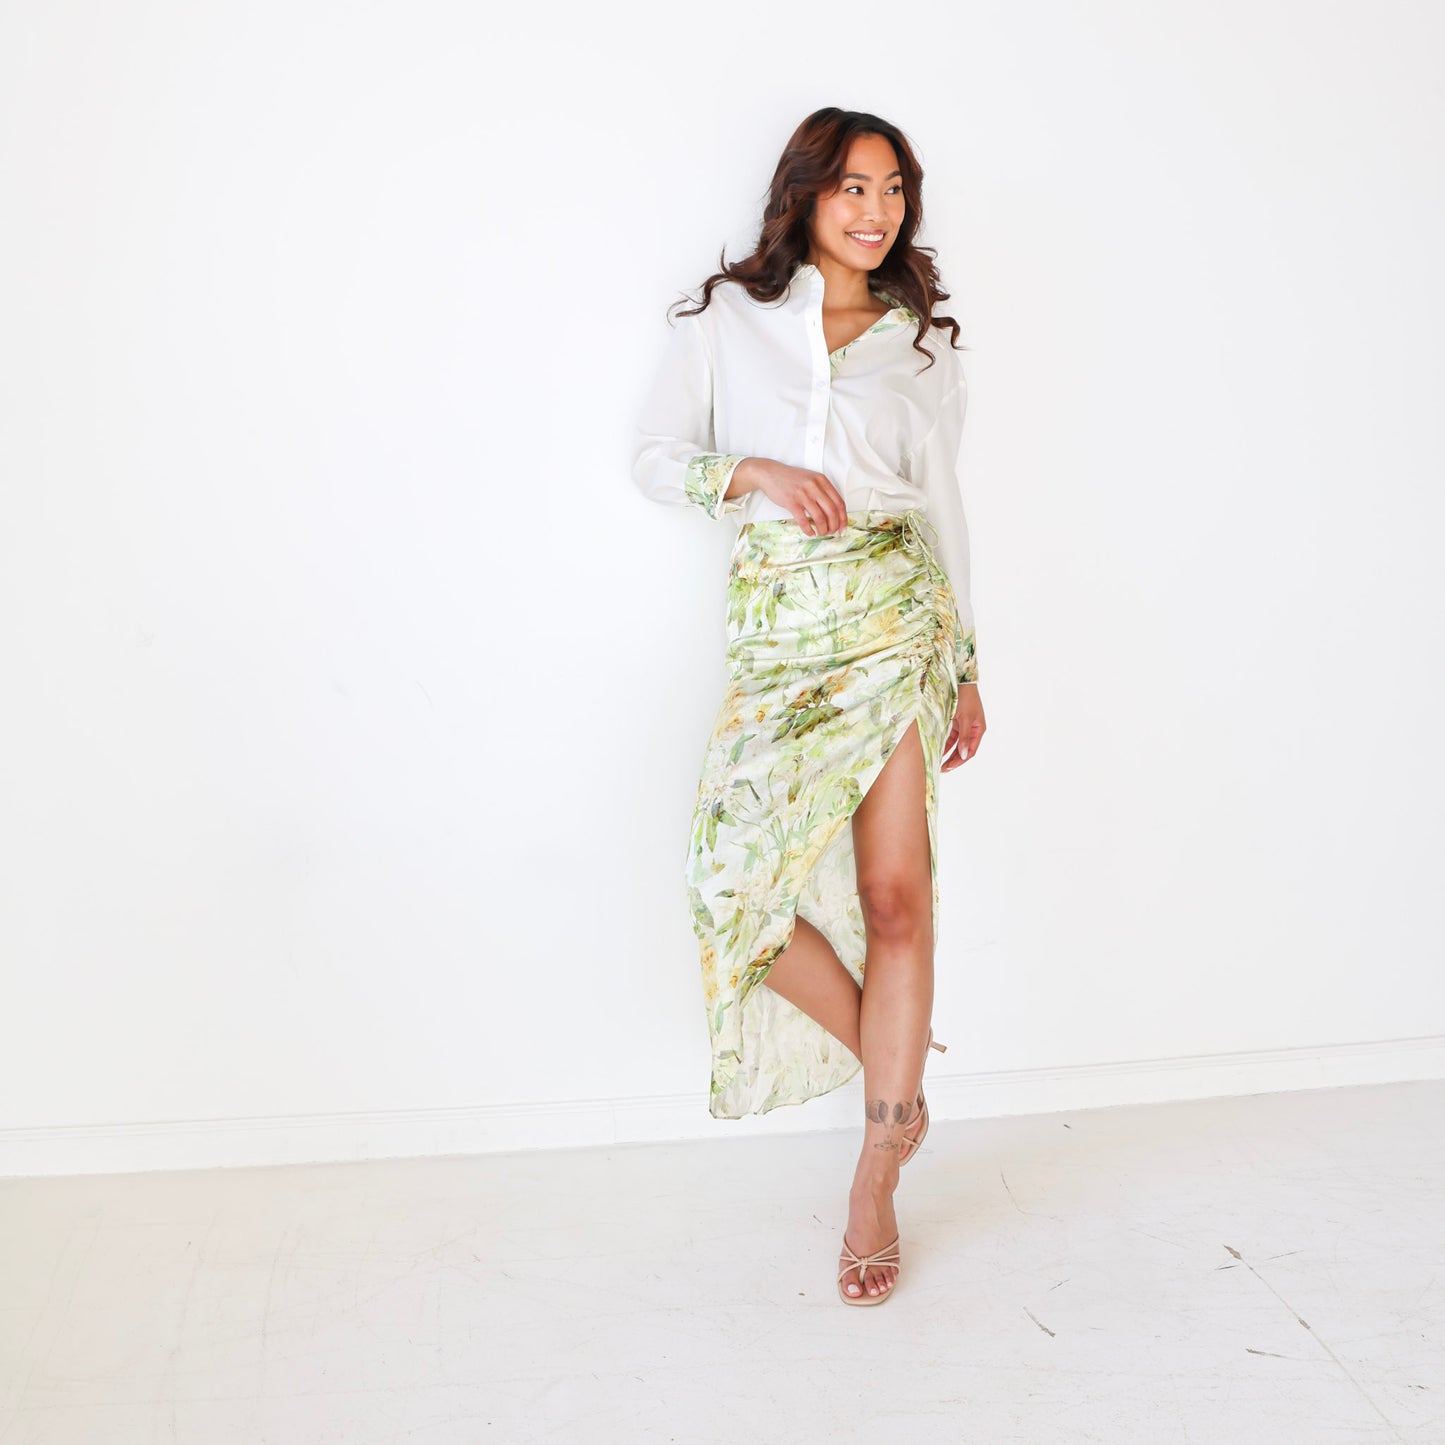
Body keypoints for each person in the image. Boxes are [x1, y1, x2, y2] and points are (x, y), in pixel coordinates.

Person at [629, 107, 987, 1306]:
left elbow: (943, 509)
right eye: (851, 187)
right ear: (806, 196)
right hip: (779, 636)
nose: (875, 210)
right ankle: (900, 1081)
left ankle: (875, 1172)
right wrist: (753, 471)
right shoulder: (728, 321)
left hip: (893, 622)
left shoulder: (921, 348)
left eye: (891, 188)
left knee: (894, 897)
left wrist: (966, 664)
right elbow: (651, 454)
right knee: (731, 885)